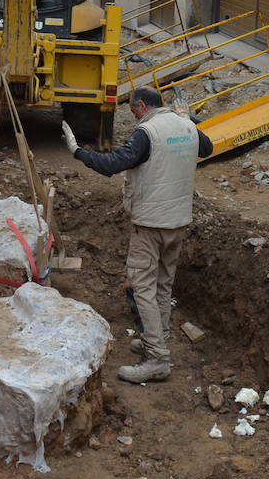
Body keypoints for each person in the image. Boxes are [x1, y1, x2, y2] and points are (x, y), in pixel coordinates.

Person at [61, 87, 213, 383]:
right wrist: (190, 120)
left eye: (133, 111)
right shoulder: (185, 125)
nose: (134, 117)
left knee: (142, 287)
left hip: (151, 224)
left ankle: (157, 358)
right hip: (178, 222)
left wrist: (78, 152)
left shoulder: (148, 132)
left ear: (142, 105)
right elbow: (206, 148)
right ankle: (155, 341)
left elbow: (115, 163)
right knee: (163, 286)